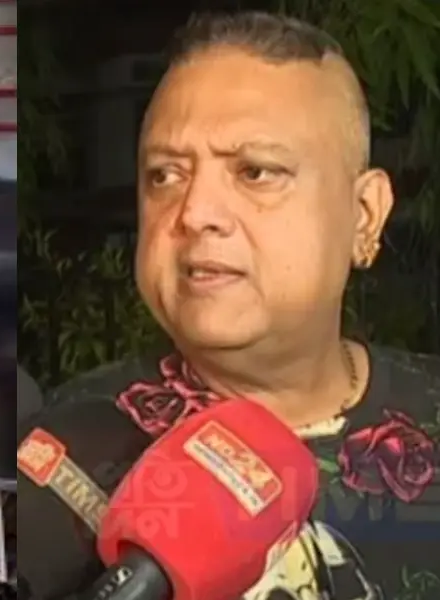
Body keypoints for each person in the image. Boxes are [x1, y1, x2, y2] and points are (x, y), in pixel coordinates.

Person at [50, 11, 440, 600]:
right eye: (165, 175)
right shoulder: (53, 459)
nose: (194, 212)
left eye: (255, 172)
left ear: (364, 216)